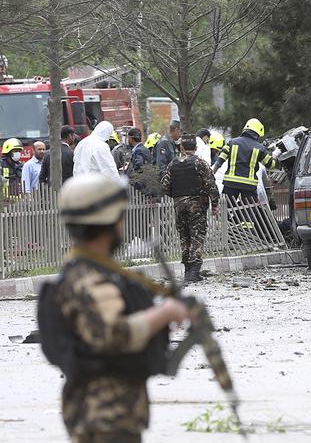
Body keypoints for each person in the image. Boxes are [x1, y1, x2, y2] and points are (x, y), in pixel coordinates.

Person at [37, 173, 190, 443]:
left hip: (105, 411)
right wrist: (164, 313)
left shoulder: (89, 272)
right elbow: (114, 334)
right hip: (105, 415)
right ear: (110, 223)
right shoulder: (90, 281)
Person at [162, 134, 220, 283]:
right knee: (197, 236)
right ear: (195, 147)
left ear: (181, 148)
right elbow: (211, 185)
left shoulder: (172, 164)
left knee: (184, 236)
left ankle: (188, 270)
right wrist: (215, 204)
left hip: (179, 205)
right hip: (197, 205)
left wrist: (178, 197)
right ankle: (194, 271)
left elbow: (165, 186)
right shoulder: (200, 163)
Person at [211, 118, 275, 203]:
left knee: (226, 210)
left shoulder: (231, 142)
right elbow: (270, 165)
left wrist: (212, 174)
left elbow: (220, 160)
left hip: (230, 184)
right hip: (249, 186)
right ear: (257, 133)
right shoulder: (260, 148)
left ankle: (228, 216)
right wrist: (275, 154)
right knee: (249, 211)